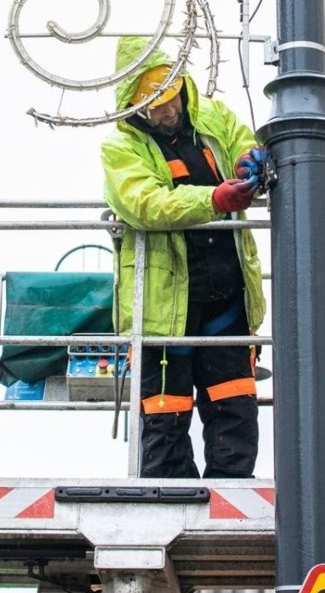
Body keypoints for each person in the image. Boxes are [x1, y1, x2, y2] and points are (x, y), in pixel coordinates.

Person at [101, 35, 268, 479]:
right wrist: (214, 199)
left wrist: (251, 161)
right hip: (164, 311)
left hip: (224, 301)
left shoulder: (213, 116)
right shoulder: (122, 149)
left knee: (234, 406)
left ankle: (229, 493)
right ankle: (168, 501)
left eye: (169, 97)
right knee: (165, 418)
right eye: (153, 105)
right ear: (134, 107)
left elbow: (241, 143)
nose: (166, 111)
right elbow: (145, 202)